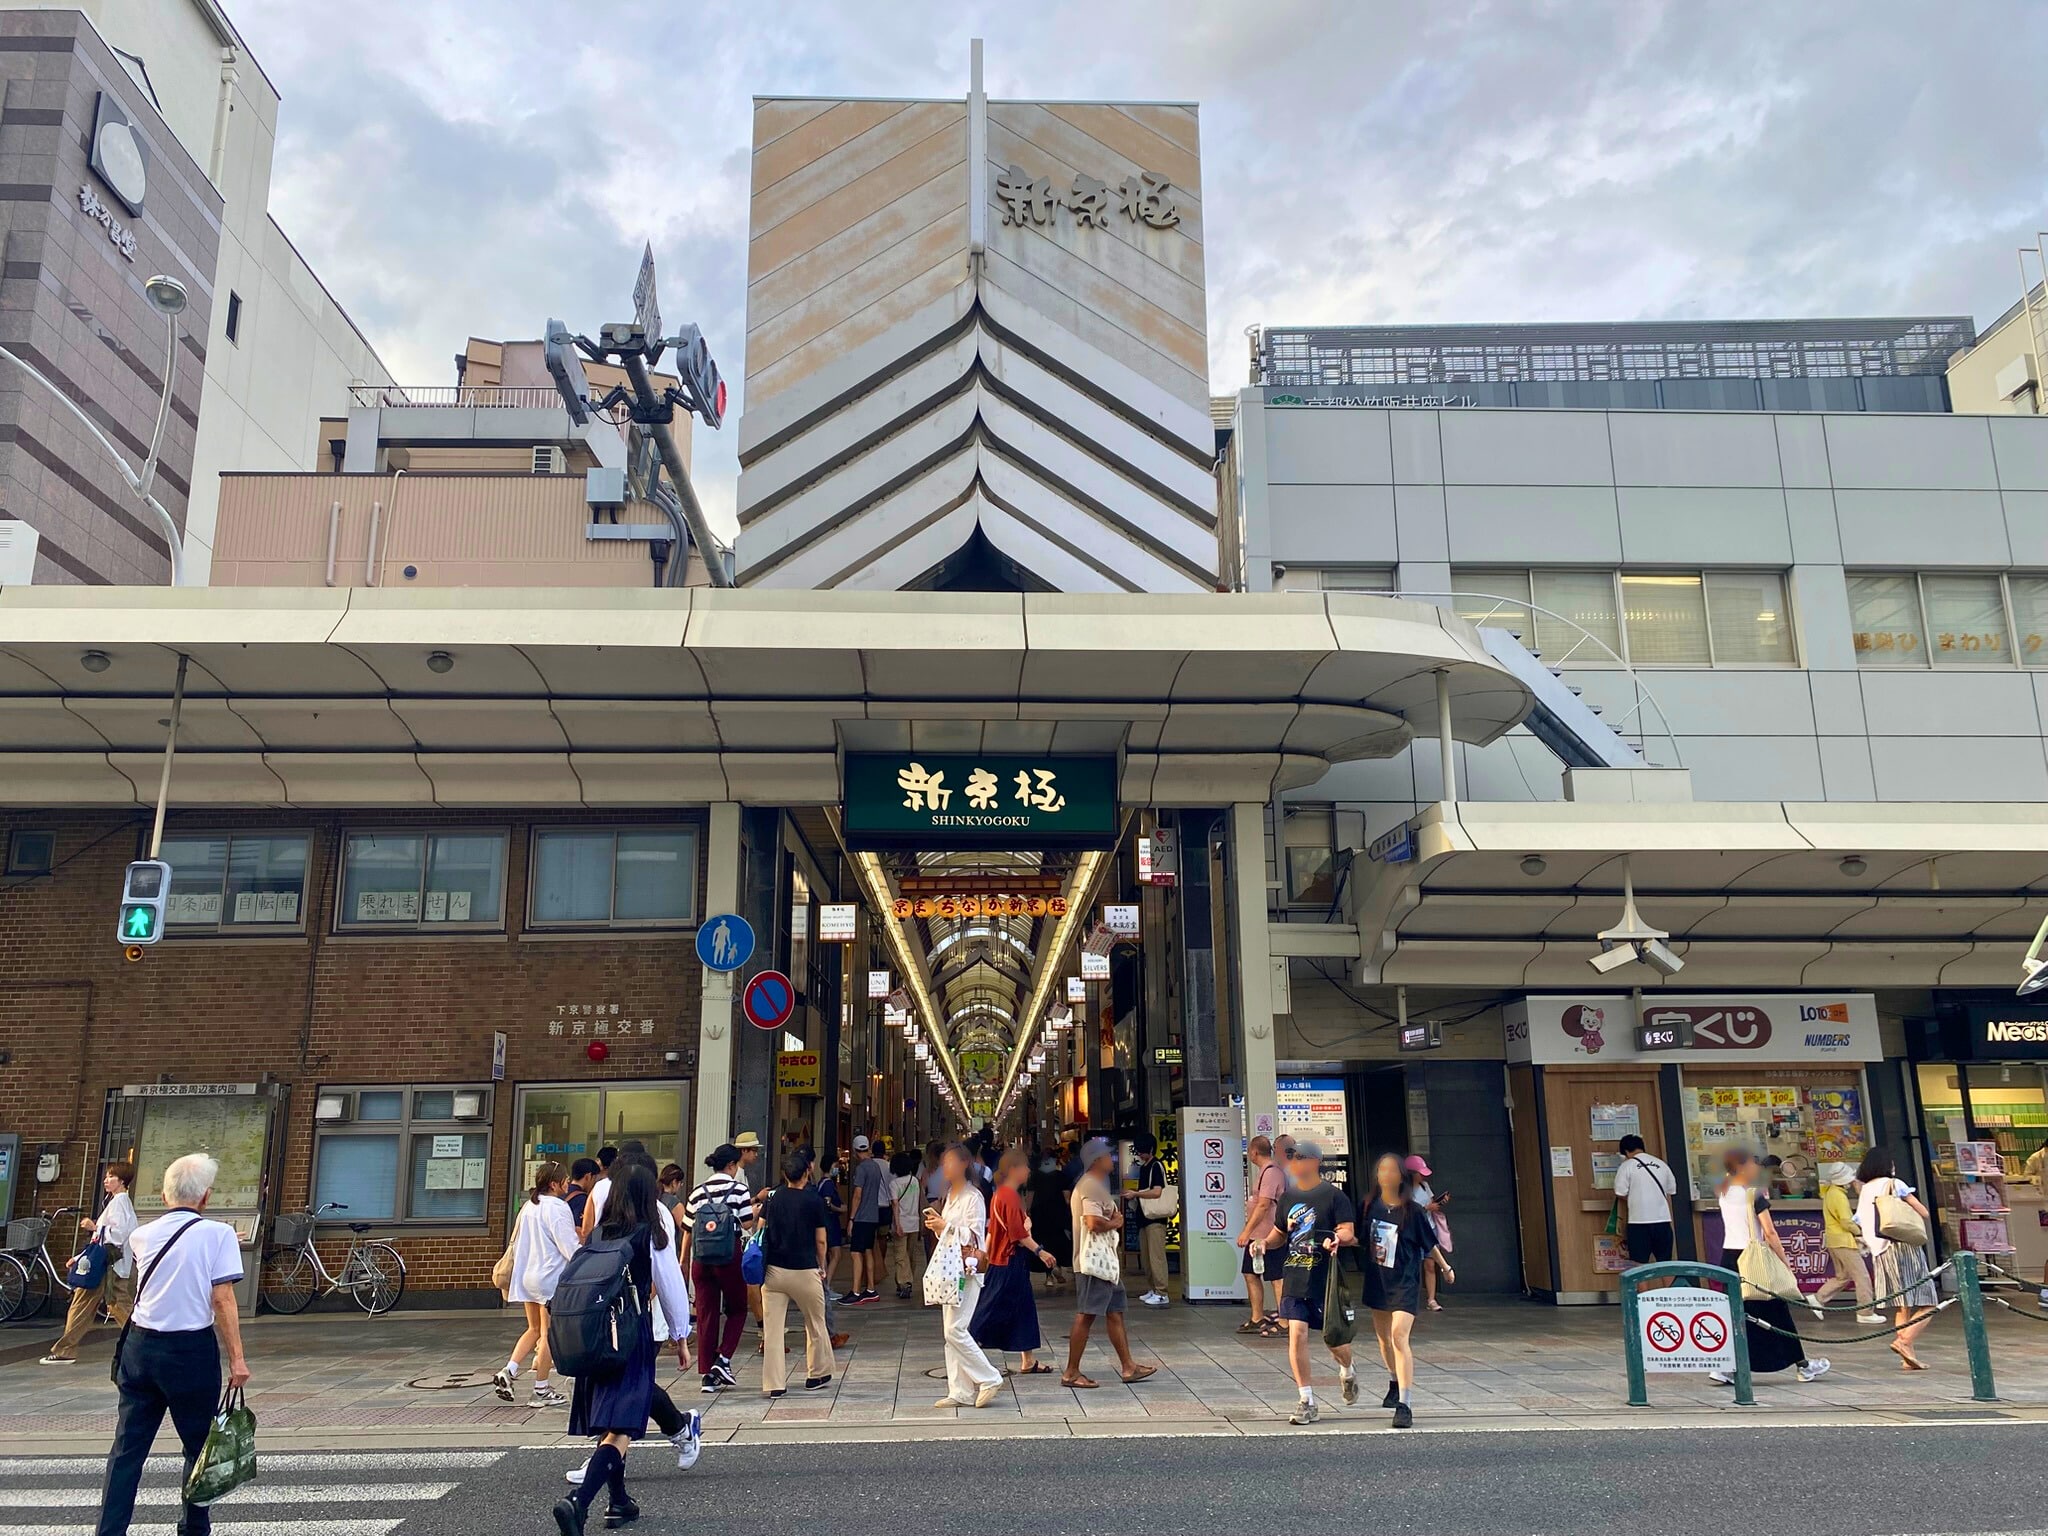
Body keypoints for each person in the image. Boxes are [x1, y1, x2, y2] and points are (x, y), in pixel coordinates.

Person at [95, 1153, 249, 1536]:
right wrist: (238, 1360)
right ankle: (193, 1528)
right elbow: (223, 1299)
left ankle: (109, 1531)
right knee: (198, 1446)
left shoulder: (141, 1234)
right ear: (206, 1197)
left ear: (165, 1197)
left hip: (139, 1347)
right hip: (189, 1350)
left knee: (127, 1450)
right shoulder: (219, 1234)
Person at [552, 1161, 694, 1535]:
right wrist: (681, 1337)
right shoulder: (650, 1232)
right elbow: (670, 1285)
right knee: (621, 1429)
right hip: (631, 1336)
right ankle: (578, 1503)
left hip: (594, 1339)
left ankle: (619, 1502)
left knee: (611, 1423)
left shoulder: (599, 1233)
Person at [1250, 1140, 1357, 1425]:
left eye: (1299, 1158)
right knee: (1297, 1334)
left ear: (1314, 1162)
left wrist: (1337, 1238)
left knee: (1334, 1340)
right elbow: (1279, 1234)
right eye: (1292, 1158)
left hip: (1324, 1278)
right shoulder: (1288, 1197)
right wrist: (1262, 1243)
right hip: (1294, 1276)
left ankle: (1347, 1369)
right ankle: (1306, 1400)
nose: (1294, 1163)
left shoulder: (1334, 1197)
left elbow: (1347, 1231)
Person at [1710, 1149, 1828, 1386]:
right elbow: (1770, 1232)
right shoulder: (1753, 1195)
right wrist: (1785, 1263)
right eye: (1753, 1164)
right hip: (1754, 1260)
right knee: (1778, 1313)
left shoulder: (1723, 1191)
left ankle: (1727, 1366)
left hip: (1731, 1259)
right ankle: (1803, 1366)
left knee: (1739, 1315)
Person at [1356, 1150, 1443, 1428]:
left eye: (1392, 1171)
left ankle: (1405, 1404)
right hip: (1378, 1280)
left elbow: (1429, 1243)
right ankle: (1394, 1381)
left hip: (1405, 1281)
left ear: (1401, 1176)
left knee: (1398, 1336)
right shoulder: (1369, 1205)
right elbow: (1358, 1238)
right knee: (1383, 1339)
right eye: (1382, 1170)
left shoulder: (1413, 1210)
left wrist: (1445, 1267)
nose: (1386, 1175)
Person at [1062, 1138, 1158, 1389]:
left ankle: (1128, 1366)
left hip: (1106, 1263)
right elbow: (1092, 1222)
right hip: (1093, 1262)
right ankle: (1071, 1372)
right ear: (1096, 1161)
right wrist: (1115, 1222)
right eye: (1107, 1156)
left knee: (1115, 1312)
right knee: (1086, 1315)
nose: (1112, 1159)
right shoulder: (1090, 1186)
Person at [923, 1142, 1005, 1408]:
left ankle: (989, 1376)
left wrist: (944, 1225)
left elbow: (974, 1235)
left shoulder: (973, 1197)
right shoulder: (951, 1195)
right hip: (950, 1267)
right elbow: (949, 1233)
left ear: (963, 1165)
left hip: (967, 1269)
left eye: (950, 1162)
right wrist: (939, 1225)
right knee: (950, 1331)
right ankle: (960, 1390)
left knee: (955, 1330)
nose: (945, 1167)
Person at [495, 1161, 579, 1407]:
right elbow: (569, 1247)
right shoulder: (558, 1208)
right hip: (549, 1279)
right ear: (554, 1184)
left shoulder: (529, 1206)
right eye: (564, 1181)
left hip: (527, 1276)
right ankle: (541, 1389)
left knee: (533, 1329)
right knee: (549, 1335)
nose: (567, 1184)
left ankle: (509, 1371)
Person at [42, 1159, 138, 1365]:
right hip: (110, 1264)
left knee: (85, 1305)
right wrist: (78, 1257)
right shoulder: (118, 1202)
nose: (106, 1180)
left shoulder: (119, 1202)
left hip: (106, 1266)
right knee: (116, 1305)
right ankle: (142, 1344)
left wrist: (94, 1226)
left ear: (121, 1181)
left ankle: (65, 1350)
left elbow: (118, 1235)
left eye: (111, 1176)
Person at [970, 1148, 1056, 1375]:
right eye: (1025, 1166)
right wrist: (1040, 1251)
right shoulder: (1010, 1196)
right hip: (1009, 1261)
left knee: (1023, 1309)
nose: (1029, 1170)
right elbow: (1017, 1234)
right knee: (990, 1308)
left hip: (1003, 1259)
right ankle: (967, 1347)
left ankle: (1028, 1359)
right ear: (1014, 1170)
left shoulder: (1001, 1194)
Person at [757, 1153, 837, 1396]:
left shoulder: (772, 1199)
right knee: (815, 1322)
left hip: (774, 1272)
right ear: (806, 1174)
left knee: (773, 1330)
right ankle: (817, 1373)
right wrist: (821, 1266)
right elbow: (821, 1240)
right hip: (804, 1270)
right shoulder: (813, 1201)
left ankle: (775, 1385)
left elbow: (760, 1231)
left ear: (785, 1175)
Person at [680, 1144, 755, 1393]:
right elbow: (746, 1224)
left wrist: (684, 1260)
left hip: (701, 1259)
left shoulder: (697, 1192)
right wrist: (755, 1210)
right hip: (728, 1256)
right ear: (732, 1165)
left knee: (706, 1315)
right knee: (737, 1309)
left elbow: (688, 1229)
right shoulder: (739, 1190)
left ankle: (707, 1374)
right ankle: (722, 1360)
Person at [1855, 1149, 1938, 1370]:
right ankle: (1904, 1341)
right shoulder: (1894, 1184)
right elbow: (1922, 1211)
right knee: (1930, 1302)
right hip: (1902, 1247)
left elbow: (1859, 1221)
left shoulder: (1864, 1190)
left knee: (1903, 1306)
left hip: (1880, 1251)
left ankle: (1907, 1357)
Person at [1813, 1161, 1880, 1324]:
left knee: (1843, 1276)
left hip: (1833, 1239)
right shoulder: (1839, 1196)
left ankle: (1818, 1299)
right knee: (1862, 1276)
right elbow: (1846, 1222)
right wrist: (1860, 1231)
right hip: (1843, 1240)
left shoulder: (1830, 1192)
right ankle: (1865, 1312)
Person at [1611, 1134, 1679, 1276]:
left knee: (1638, 1265)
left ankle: (1642, 1298)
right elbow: (1671, 1190)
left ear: (1626, 1152)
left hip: (1638, 1221)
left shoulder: (1627, 1166)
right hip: (1662, 1220)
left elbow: (1620, 1192)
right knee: (1665, 1263)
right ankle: (1668, 1296)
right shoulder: (1661, 1164)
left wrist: (1634, 1198)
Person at [1128, 1133, 1171, 1307]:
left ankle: (1162, 1292)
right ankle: (1153, 1288)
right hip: (1144, 1217)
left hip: (1155, 1218)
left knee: (1156, 1257)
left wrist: (1136, 1194)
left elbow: (1157, 1191)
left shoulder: (1156, 1165)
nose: (1140, 1154)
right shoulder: (1145, 1166)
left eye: (1143, 1151)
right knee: (1146, 1258)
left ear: (1151, 1149)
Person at [847, 1134, 888, 1303]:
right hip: (874, 1215)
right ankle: (871, 1289)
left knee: (856, 1253)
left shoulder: (862, 1168)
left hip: (862, 1217)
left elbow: (857, 1194)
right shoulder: (875, 1167)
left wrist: (851, 1218)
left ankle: (856, 1291)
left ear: (856, 1151)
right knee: (869, 1251)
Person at [1026, 1149, 1072, 1291]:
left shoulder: (1034, 1176)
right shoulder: (1061, 1176)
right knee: (1057, 1241)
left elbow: (1030, 1195)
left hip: (1039, 1214)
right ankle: (1057, 1267)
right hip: (1058, 1213)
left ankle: (1049, 1276)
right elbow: (1067, 1198)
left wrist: (1027, 1211)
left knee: (1043, 1242)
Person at [888, 1150, 924, 1299]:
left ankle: (904, 1283)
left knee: (900, 1255)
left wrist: (897, 1224)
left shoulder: (894, 1184)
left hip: (901, 1222)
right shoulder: (915, 1181)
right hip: (914, 1222)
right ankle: (907, 1282)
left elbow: (895, 1205)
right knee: (911, 1254)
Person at [817, 1152, 849, 1299]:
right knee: (835, 1254)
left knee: (826, 1254)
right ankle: (826, 1286)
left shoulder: (821, 1182)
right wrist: (840, 1209)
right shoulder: (828, 1184)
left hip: (825, 1222)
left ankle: (825, 1286)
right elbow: (828, 1203)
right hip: (831, 1223)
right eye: (836, 1165)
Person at [577, 1145, 620, 1241]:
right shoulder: (627, 1184)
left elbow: (586, 1229)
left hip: (599, 1241)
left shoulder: (598, 1187)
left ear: (600, 1162)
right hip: (621, 1244)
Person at [563, 1157, 600, 1228]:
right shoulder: (582, 1199)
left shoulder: (561, 1192)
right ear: (588, 1177)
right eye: (594, 1179)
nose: (595, 1183)